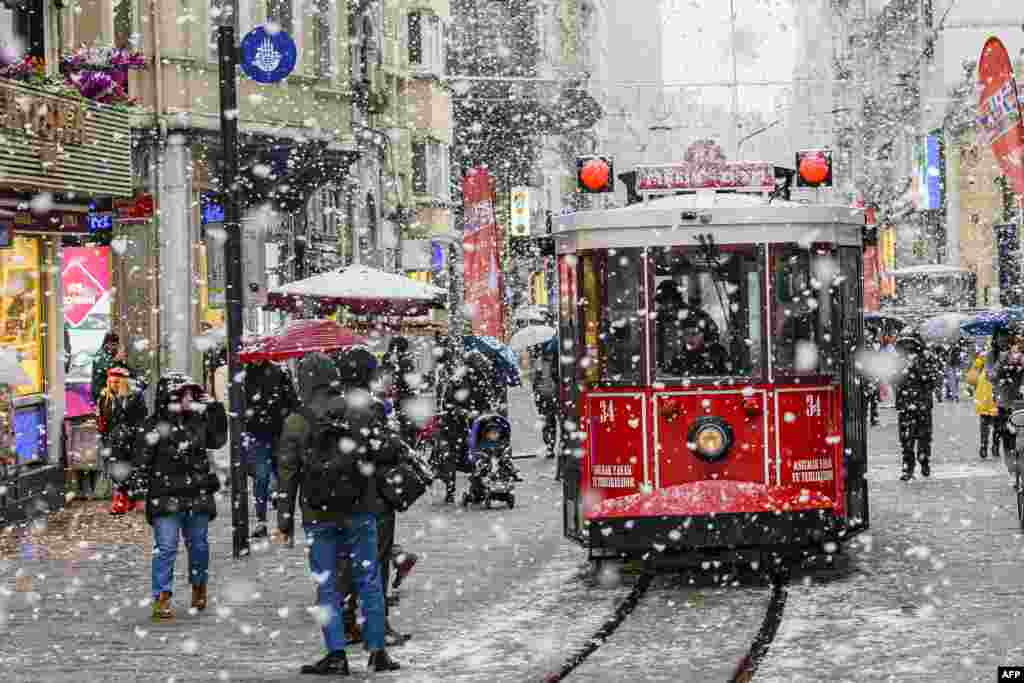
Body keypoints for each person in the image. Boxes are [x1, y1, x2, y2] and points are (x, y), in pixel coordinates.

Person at [276, 352, 401, 675]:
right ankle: (377, 651)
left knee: (327, 584)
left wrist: (284, 519)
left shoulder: (296, 420)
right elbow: (389, 449)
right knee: (369, 578)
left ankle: (336, 654)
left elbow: (287, 474)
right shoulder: (358, 410)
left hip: (318, 514)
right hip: (360, 508)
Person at [335, 347, 411, 648]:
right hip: (372, 495)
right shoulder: (370, 407)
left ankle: (348, 621)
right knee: (375, 564)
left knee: (348, 563)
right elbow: (383, 449)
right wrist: (395, 440)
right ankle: (376, 627)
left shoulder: (336, 405)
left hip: (341, 495)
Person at [136, 373, 227, 621]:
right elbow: (142, 458)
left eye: (192, 395)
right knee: (166, 547)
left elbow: (218, 439)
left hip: (195, 493)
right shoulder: (153, 424)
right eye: (185, 394)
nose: (190, 399)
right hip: (165, 495)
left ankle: (199, 586)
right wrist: (138, 488)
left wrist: (215, 409)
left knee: (198, 545)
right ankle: (161, 596)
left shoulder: (198, 421)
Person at [241, 359, 297, 539]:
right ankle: (263, 521)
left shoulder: (279, 371)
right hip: (259, 433)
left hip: (277, 432)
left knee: (276, 477)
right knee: (263, 476)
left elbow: (291, 400)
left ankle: (281, 523)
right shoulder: (245, 374)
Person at [438, 350, 499, 503]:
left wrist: (487, 413)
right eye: (477, 364)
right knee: (451, 458)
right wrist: (464, 413)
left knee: (478, 457)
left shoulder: (481, 378)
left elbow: (487, 399)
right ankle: (450, 490)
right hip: (454, 426)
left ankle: (477, 489)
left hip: (475, 424)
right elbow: (448, 404)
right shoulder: (457, 380)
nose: (480, 367)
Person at [96, 366, 148, 515]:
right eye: (111, 382)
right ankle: (123, 497)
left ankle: (125, 498)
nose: (113, 385)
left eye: (117, 382)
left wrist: (134, 433)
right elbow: (102, 419)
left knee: (129, 468)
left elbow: (141, 417)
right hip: (112, 439)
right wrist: (104, 435)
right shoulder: (105, 396)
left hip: (130, 438)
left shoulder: (134, 396)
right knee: (115, 469)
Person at [893, 334, 943, 481]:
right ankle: (908, 466)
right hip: (905, 405)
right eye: (905, 346)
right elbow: (893, 380)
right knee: (906, 439)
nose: (908, 349)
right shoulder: (898, 361)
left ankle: (924, 460)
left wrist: (919, 370)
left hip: (923, 405)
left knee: (924, 437)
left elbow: (934, 379)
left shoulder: (926, 359)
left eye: (911, 346)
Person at [988, 326, 1024, 487]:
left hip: (1020, 402)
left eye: (1006, 336)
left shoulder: (1019, 351)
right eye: (1000, 337)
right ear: (995, 339)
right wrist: (1003, 362)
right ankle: (1013, 472)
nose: (1003, 340)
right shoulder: (993, 354)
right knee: (1008, 441)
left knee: (1021, 441)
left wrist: (1019, 361)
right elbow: (991, 377)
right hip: (1004, 402)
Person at [384, 337, 418, 444]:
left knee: (402, 430)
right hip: (404, 401)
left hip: (400, 400)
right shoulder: (405, 361)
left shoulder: (400, 361)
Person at [967, 347, 1000, 460]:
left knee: (986, 423)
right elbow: (971, 379)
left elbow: (971, 379)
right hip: (995, 395)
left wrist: (977, 364)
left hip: (986, 395)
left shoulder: (982, 358)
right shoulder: (1004, 356)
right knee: (997, 424)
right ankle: (994, 446)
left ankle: (984, 446)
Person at [532, 338, 559, 459]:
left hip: (544, 396)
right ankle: (550, 446)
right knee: (551, 422)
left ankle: (549, 445)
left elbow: (536, 381)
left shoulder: (540, 362)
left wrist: (537, 395)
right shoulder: (555, 362)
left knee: (547, 422)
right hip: (551, 395)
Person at [91, 332, 120, 403]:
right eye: (113, 345)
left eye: (116, 344)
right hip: (101, 390)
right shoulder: (100, 355)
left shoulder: (114, 354)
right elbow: (105, 369)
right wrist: (116, 360)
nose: (115, 347)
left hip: (113, 389)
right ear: (106, 344)